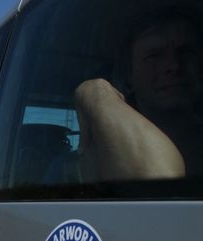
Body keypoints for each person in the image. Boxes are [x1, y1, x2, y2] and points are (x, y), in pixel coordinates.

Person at [75, 6, 203, 181]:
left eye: (186, 52)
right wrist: (100, 96)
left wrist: (97, 95)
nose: (174, 65)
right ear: (129, 76)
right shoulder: (74, 169)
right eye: (154, 55)